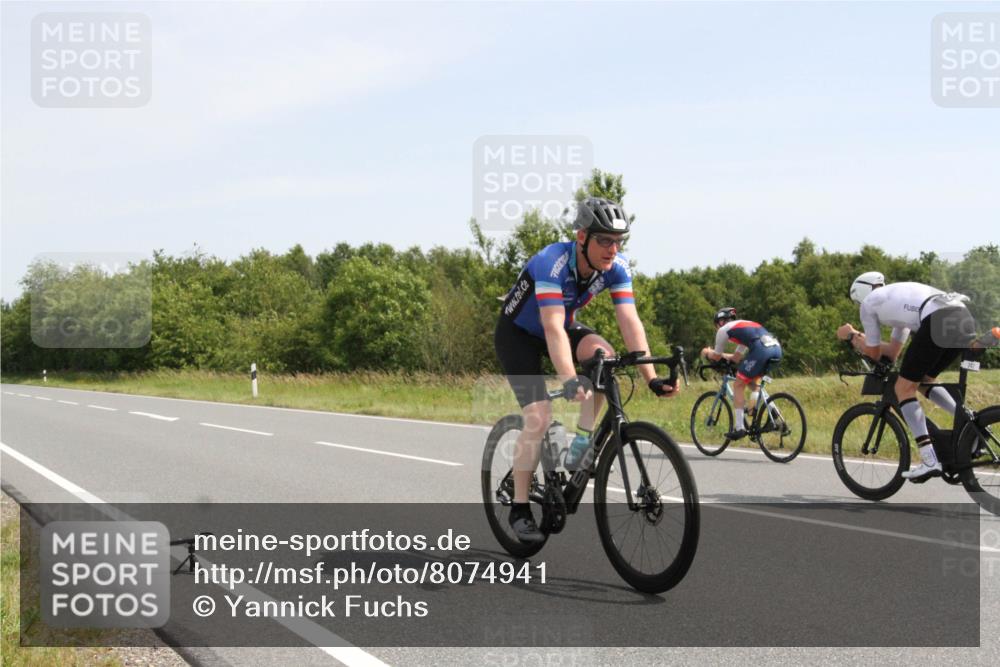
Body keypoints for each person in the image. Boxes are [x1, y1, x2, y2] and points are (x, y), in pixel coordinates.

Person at [495, 197, 679, 542]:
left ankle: (581, 443)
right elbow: (551, 327)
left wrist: (651, 377)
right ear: (582, 237)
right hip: (518, 334)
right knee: (538, 414)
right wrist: (568, 379)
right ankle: (520, 508)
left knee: (604, 360)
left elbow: (629, 320)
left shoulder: (617, 267)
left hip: (562, 326)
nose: (613, 249)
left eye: (618, 241)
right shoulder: (552, 262)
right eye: (604, 240)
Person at [837, 272, 978, 481]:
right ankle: (972, 422)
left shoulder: (868, 303)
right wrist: (863, 339)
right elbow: (893, 352)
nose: (860, 306)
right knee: (924, 381)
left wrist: (851, 336)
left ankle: (929, 459)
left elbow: (874, 353)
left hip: (938, 318)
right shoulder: (897, 298)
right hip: (963, 317)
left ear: (862, 293)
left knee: (903, 388)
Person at [700, 307, 783, 440]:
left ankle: (740, 428)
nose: (717, 328)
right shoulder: (743, 328)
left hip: (761, 351)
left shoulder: (723, 330)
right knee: (752, 383)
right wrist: (724, 356)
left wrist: (706, 352)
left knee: (738, 385)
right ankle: (773, 413)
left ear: (720, 322)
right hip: (776, 349)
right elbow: (736, 358)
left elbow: (716, 356)